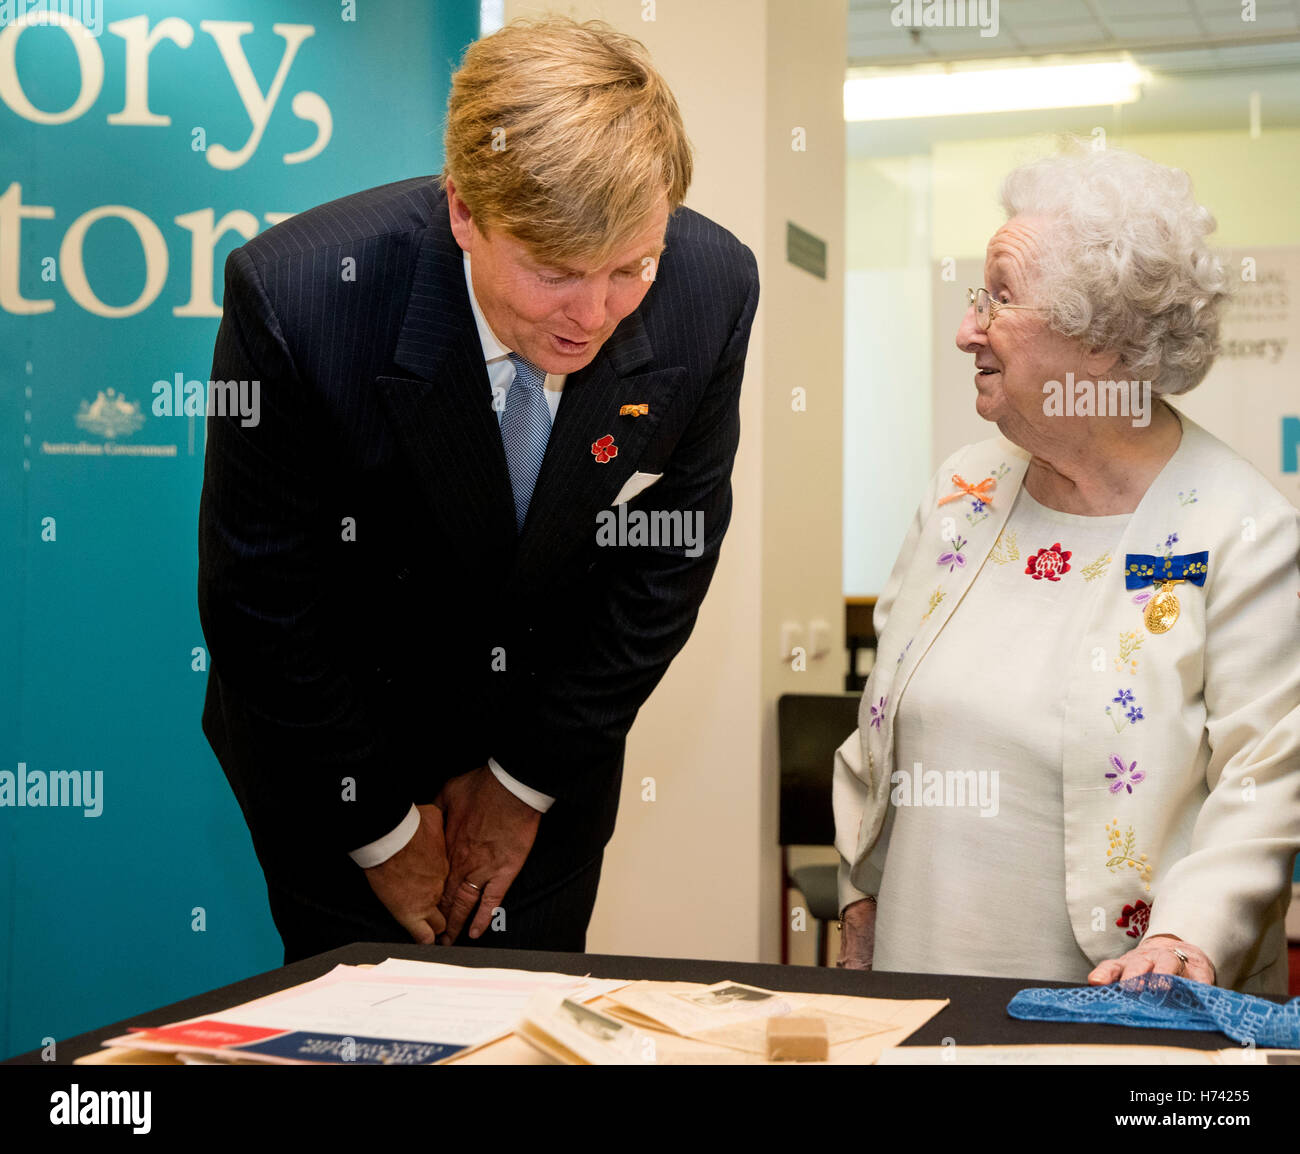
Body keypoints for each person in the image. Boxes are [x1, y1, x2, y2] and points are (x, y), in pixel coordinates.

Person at [198, 17, 759, 964]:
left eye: (631, 269)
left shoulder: (711, 286)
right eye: (555, 273)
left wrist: (524, 780)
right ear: (465, 211)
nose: (595, 316)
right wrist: (381, 830)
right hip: (337, 761)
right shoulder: (298, 298)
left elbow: (666, 559)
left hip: (551, 754)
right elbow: (262, 601)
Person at [833, 145, 1299, 995]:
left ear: (1104, 341)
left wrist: (1184, 940)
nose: (967, 329)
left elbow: (1266, 780)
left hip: (1122, 1013)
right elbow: (881, 729)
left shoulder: (1246, 532)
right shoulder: (961, 492)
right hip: (917, 997)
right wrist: (859, 900)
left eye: (1000, 299)